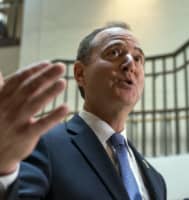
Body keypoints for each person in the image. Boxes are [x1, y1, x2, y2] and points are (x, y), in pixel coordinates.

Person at [0, 22, 167, 200]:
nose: (130, 63)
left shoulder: (156, 180)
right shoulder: (43, 144)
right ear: (80, 74)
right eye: (115, 52)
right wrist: (4, 167)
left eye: (138, 58)